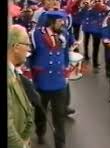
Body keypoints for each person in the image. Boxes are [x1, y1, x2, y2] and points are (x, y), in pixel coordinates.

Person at [29, 11, 72, 148]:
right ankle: (40, 131)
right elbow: (29, 55)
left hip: (59, 81)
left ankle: (60, 144)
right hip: (42, 81)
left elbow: (65, 54)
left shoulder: (64, 34)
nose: (62, 24)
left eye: (63, 21)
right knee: (40, 112)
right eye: (60, 21)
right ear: (52, 22)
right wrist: (29, 75)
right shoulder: (36, 35)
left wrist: (66, 70)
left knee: (59, 117)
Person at [8, 25, 34, 148]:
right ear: (16, 47)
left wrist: (26, 136)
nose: (28, 50)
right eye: (27, 45)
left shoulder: (14, 70)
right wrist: (21, 145)